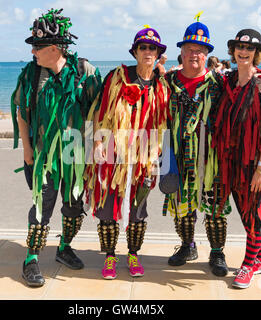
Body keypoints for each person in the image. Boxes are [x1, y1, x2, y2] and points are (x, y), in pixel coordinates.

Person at [11, 8, 101, 287]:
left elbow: (98, 112)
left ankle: (64, 248)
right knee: (42, 205)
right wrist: (27, 152)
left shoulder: (86, 72)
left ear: (53, 48)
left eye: (37, 47)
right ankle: (31, 259)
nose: (33, 52)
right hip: (43, 157)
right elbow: (22, 114)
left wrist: (97, 147)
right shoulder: (31, 74)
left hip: (76, 154)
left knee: (74, 206)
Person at [84, 25, 169, 280]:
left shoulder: (161, 84)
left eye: (152, 48)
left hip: (144, 157)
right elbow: (100, 111)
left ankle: (133, 253)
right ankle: (110, 256)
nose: (147, 51)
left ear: (157, 53)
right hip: (114, 154)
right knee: (108, 205)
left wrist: (156, 156)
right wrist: (98, 142)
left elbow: (164, 120)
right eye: (143, 47)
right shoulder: (117, 77)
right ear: (135, 52)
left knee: (138, 208)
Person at [213, 29, 261, 289]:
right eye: (239, 47)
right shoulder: (229, 80)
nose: (243, 52)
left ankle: (248, 264)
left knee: (255, 212)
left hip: (256, 162)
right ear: (233, 50)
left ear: (257, 54)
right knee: (245, 213)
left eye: (249, 49)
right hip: (233, 161)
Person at [161, 16, 232, 277]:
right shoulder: (168, 83)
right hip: (178, 156)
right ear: (181, 51)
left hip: (210, 158)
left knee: (214, 207)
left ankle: (217, 252)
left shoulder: (219, 84)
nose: (195, 54)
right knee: (182, 207)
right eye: (190, 49)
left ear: (207, 55)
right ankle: (187, 246)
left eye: (200, 51)